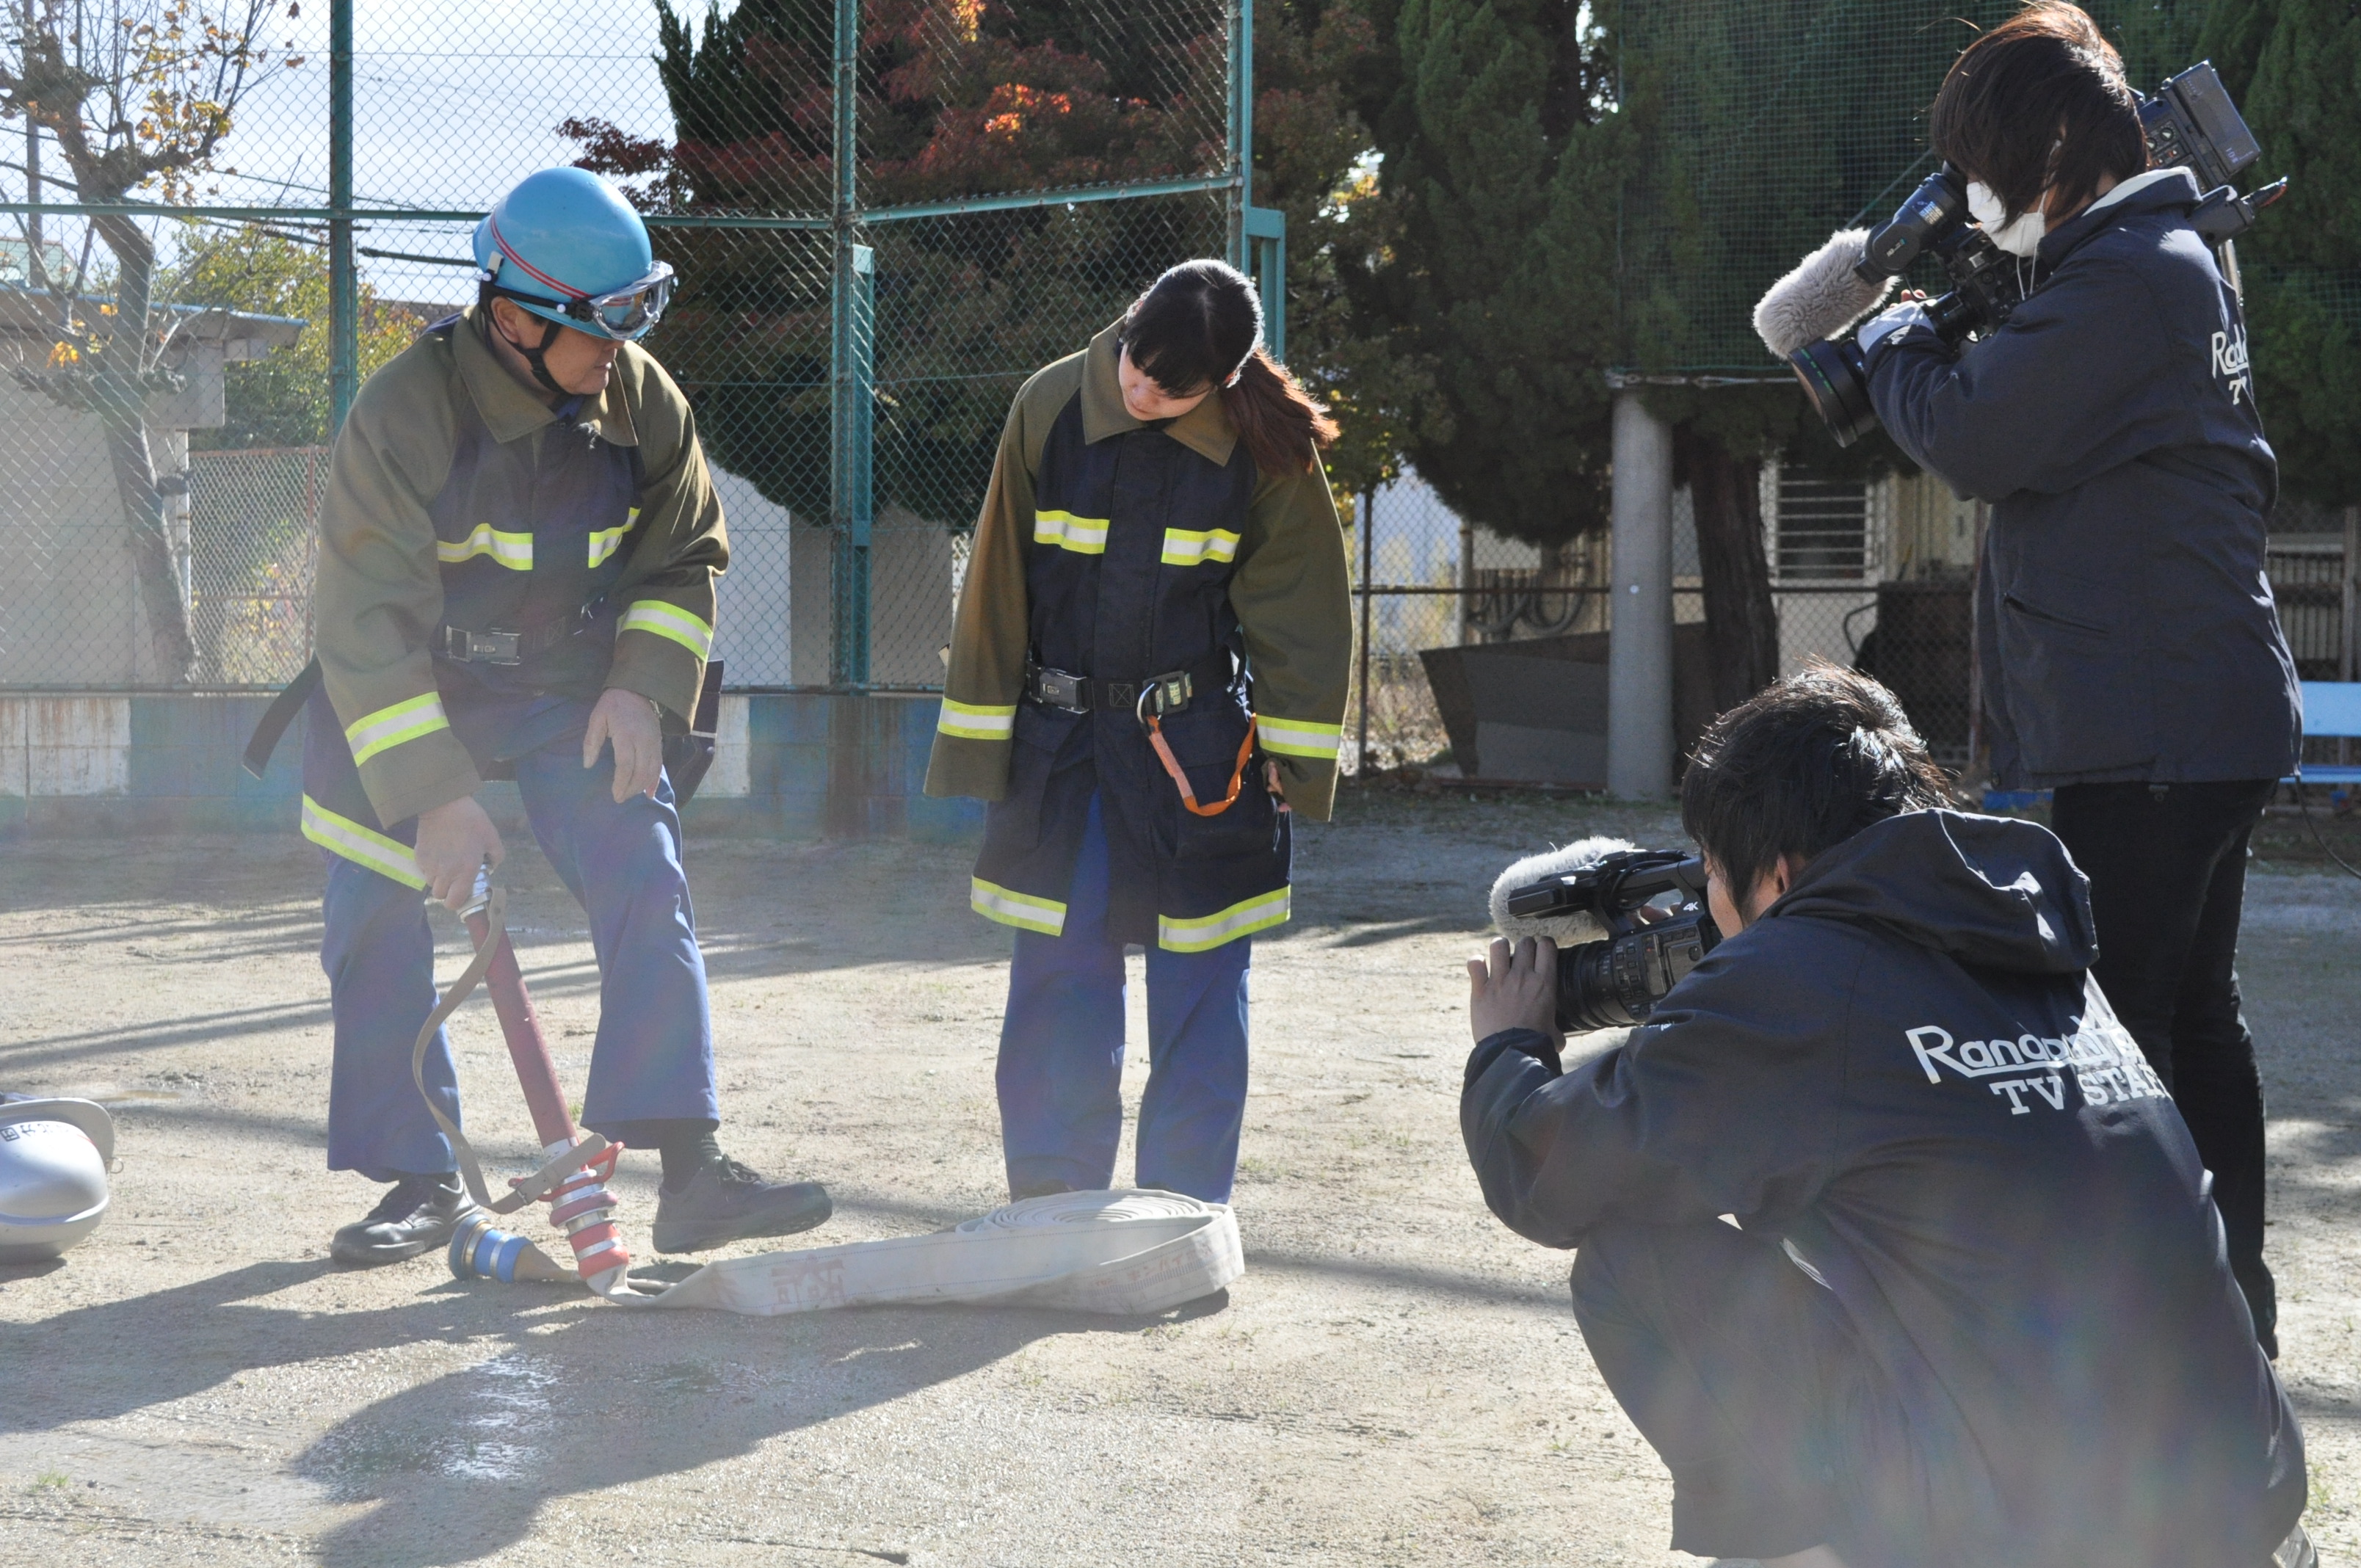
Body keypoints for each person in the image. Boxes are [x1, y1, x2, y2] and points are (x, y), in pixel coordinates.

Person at [1462, 668, 2308, 1568]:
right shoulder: (2029, 940)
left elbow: (1547, 1173)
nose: (1710, 901)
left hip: (2056, 1539)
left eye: (1714, 872)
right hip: (2246, 1509)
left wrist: (1509, 1048)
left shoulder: (1801, 982)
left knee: (1636, 1256)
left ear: (1777, 871)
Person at [1858, 2, 2301, 1353]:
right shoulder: (2155, 257)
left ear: (2058, 141)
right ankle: (2229, 1326)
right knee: (2194, 1015)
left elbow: (1979, 437)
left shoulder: (2126, 279)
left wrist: (1890, 341)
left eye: (1984, 166)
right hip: (2186, 713)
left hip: (2145, 727)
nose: (1974, 199)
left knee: (2127, 1039)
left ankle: (2157, 1355)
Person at [296, 167, 832, 1266]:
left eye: (638, 317)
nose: (621, 350)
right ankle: (421, 1175)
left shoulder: (639, 397)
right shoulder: (401, 417)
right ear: (509, 320)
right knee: (371, 908)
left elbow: (685, 558)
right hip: (409, 691)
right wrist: (435, 796)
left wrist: (641, 686)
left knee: (643, 855)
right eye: (599, 326)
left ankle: (691, 1168)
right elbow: (362, 622)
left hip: (567, 689)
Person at [924, 259, 1353, 1204]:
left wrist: (1294, 753)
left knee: (1201, 992)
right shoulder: (1049, 405)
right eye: (1135, 365)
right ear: (1126, 327)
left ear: (1225, 382)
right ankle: (1053, 1202)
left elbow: (1301, 609)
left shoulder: (1266, 446)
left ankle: (1184, 1214)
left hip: (1199, 760)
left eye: (1175, 384)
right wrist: (979, 744)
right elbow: (997, 577)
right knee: (1059, 980)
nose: (1142, 389)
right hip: (1064, 753)